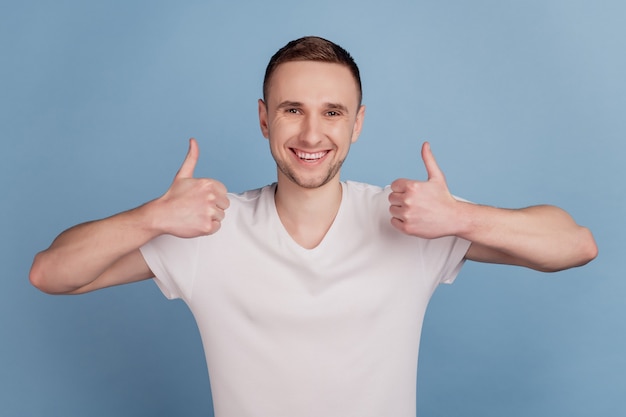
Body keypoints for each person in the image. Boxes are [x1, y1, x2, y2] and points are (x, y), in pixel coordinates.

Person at [30, 36, 598, 417]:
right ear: (263, 118)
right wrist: (152, 216)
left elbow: (574, 245)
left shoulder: (412, 219)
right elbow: (52, 273)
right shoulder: (209, 229)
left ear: (357, 125)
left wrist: (463, 218)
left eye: (332, 113)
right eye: (291, 109)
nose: (310, 134)